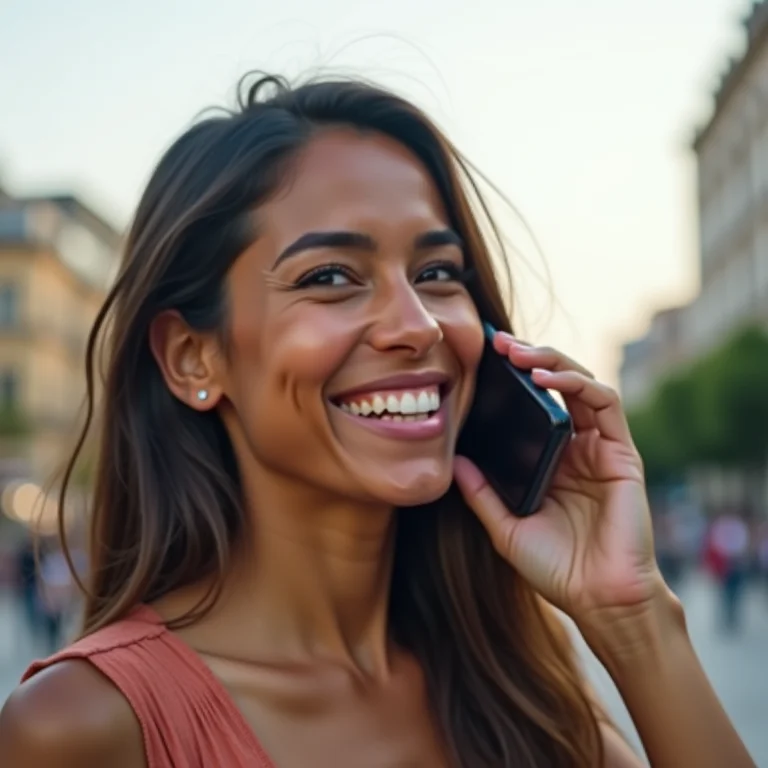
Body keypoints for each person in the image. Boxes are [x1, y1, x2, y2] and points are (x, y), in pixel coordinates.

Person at [0, 74, 755, 768]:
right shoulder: (82, 727)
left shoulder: (518, 680)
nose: (418, 324)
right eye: (330, 277)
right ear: (194, 358)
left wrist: (634, 620)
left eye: (437, 272)